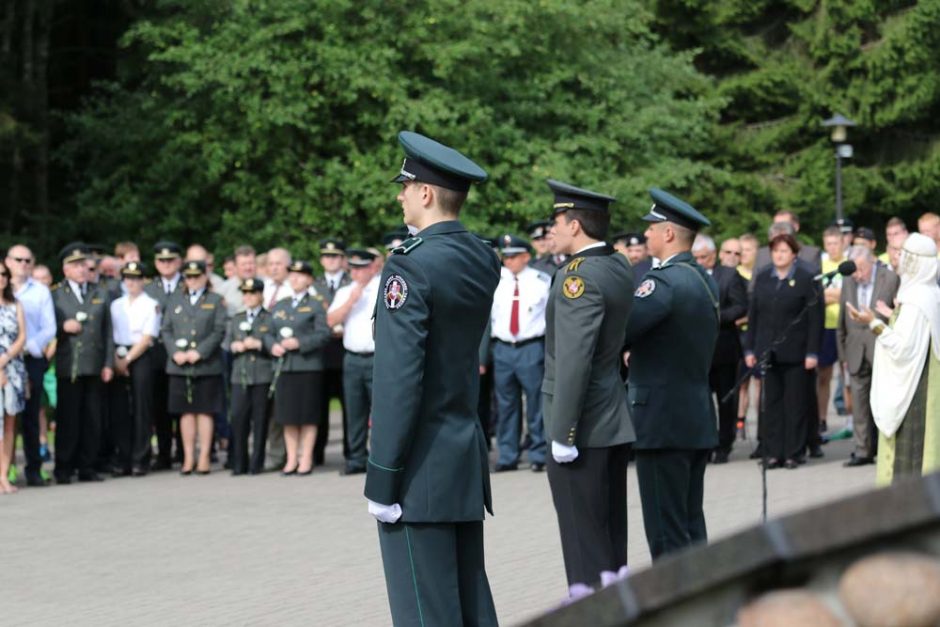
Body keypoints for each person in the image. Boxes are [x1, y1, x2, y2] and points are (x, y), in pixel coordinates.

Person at [364, 131, 499, 625]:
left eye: (405, 185)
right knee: (469, 604)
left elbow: (400, 381)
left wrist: (382, 478)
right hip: (461, 456)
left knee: (426, 612)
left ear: (425, 193)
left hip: (417, 469)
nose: (399, 195)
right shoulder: (481, 257)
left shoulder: (410, 266)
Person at [541, 179, 635, 593]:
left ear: (575, 225)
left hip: (583, 421)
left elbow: (573, 362)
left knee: (584, 535)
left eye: (557, 223)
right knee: (609, 526)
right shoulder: (615, 266)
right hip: (610, 414)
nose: (552, 231)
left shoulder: (576, 279)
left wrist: (563, 432)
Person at [624, 189, 717, 560]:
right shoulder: (700, 278)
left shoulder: (662, 282)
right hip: (692, 416)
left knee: (667, 533)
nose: (645, 235)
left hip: (662, 422)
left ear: (668, 234)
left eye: (651, 228)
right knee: (690, 525)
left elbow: (621, 329)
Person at [848, 233, 940, 485]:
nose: (898, 259)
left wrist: (873, 322)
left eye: (904, 255)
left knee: (910, 455)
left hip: (914, 388)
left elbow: (902, 348)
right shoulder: (930, 293)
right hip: (927, 380)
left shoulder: (916, 299)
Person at [744, 233, 821, 470]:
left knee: (795, 404)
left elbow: (815, 319)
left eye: (784, 251)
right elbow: (754, 315)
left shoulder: (806, 278)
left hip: (797, 353)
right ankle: (773, 452)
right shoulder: (764, 277)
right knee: (772, 404)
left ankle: (793, 453)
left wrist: (812, 353)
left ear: (794, 254)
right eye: (776, 251)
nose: (779, 255)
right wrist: (750, 348)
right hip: (768, 352)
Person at [52, 243, 115, 484]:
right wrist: (62, 327)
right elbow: (47, 328)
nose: (81, 269)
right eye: (75, 265)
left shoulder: (99, 293)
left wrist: (108, 363)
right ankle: (64, 467)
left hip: (94, 364)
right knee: (68, 418)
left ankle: (88, 466)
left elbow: (108, 331)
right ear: (65, 269)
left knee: (92, 419)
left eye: (83, 264)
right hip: (70, 365)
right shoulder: (55, 294)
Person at [490, 234, 550, 473]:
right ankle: (507, 454)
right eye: (506, 256)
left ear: (526, 256)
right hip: (503, 348)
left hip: (531, 347)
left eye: (514, 256)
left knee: (536, 403)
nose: (509, 261)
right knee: (506, 405)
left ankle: (538, 453)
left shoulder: (541, 280)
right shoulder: (495, 280)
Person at [265, 260, 330, 476]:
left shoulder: (315, 305)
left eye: (301, 275)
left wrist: (300, 343)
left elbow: (323, 334)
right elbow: (268, 331)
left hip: (308, 366)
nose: (295, 278)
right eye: (292, 274)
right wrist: (271, 345)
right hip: (285, 367)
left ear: (310, 279)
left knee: (308, 415)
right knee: (288, 416)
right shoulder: (280, 305)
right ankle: (291, 458)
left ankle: (306, 457)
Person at [161, 260, 226, 475]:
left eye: (196, 277)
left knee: (205, 412)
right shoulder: (175, 300)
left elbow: (218, 331)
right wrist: (175, 352)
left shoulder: (215, 300)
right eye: (188, 277)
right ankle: (188, 457)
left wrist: (200, 352)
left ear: (204, 277)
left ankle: (205, 456)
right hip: (179, 365)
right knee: (185, 413)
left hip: (205, 364)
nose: (192, 281)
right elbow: (166, 329)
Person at [837, 246, 899, 467]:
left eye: (860, 269)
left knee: (884, 402)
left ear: (871, 262)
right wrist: (843, 354)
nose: (857, 274)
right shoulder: (848, 281)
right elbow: (841, 322)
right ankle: (862, 450)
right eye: (854, 270)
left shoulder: (890, 278)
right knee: (859, 404)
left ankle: (885, 448)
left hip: (881, 348)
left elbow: (897, 315)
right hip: (854, 351)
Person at [692, 234, 747, 464]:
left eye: (703, 257)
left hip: (723, 348)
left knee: (725, 399)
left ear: (713, 255)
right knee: (701, 400)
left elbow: (740, 306)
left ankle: (725, 443)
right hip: (698, 350)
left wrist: (715, 317)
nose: (699, 261)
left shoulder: (729, 275)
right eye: (696, 257)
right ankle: (705, 442)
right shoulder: (690, 273)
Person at [326, 248, 381, 476]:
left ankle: (380, 460)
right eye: (354, 268)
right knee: (354, 411)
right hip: (352, 358)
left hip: (377, 358)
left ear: (372, 267)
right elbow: (331, 320)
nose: (356, 273)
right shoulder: (346, 291)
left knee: (380, 411)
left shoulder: (383, 287)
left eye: (361, 268)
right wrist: (351, 301)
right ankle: (356, 457)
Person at [6, 244, 55, 487]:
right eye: (18, 260)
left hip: (30, 358)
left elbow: (49, 327)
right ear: (8, 261)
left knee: (31, 415)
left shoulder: (40, 291)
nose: (23, 264)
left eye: (27, 260)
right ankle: (7, 467)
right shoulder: (3, 289)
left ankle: (34, 468)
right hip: (4, 361)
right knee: (7, 416)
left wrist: (29, 345)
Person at [108, 261, 160, 477]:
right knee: (120, 410)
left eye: (136, 278)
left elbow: (147, 337)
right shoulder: (116, 304)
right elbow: (110, 333)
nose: (131, 283)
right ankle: (123, 457)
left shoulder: (151, 304)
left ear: (143, 281)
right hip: (118, 352)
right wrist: (117, 359)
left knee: (142, 408)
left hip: (139, 354)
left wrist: (127, 359)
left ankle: (141, 458)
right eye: (128, 278)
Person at [144, 240, 185, 470]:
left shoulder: (187, 284)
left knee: (181, 405)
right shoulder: (150, 289)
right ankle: (164, 453)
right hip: (158, 353)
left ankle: (183, 451)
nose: (166, 264)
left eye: (171, 260)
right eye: (161, 260)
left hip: (181, 352)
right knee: (159, 407)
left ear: (179, 262)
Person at [226, 278, 273, 475]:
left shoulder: (269, 318)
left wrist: (259, 344)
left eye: (252, 293)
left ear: (261, 295)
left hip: (261, 374)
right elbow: (228, 341)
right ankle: (239, 462)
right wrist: (234, 346)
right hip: (241, 375)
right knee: (238, 418)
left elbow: (273, 343)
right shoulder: (237, 318)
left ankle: (256, 463)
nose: (248, 297)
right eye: (245, 293)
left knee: (260, 420)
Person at [312, 238, 350, 467]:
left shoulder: (352, 282)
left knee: (350, 408)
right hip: (321, 353)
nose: (331, 260)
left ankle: (351, 453)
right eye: (327, 256)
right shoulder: (314, 286)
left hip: (345, 350)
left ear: (343, 259)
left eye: (335, 256)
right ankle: (316, 454)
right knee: (318, 406)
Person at [0, 261, 27, 493]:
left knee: (9, 425)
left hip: (13, 368)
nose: (0, 278)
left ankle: (3, 475)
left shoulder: (15, 304)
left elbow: (22, 336)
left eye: (3, 274)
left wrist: (5, 358)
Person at [818, 225, 847, 432]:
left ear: (842, 243)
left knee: (848, 374)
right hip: (826, 325)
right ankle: (821, 419)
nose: (832, 247)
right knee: (824, 375)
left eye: (835, 243)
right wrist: (838, 293)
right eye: (828, 244)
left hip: (846, 324)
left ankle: (850, 420)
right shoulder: (820, 264)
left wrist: (834, 295)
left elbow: (848, 294)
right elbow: (819, 295)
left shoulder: (849, 264)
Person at [218, 245, 257, 317]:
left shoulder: (267, 285)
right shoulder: (223, 290)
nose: (248, 267)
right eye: (243, 264)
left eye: (251, 263)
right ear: (235, 266)